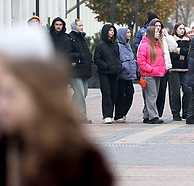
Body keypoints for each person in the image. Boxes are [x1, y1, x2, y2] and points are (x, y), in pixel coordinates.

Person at [0, 26, 113, 185]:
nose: (2, 105)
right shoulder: (9, 146)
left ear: (40, 94)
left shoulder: (78, 161)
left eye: (10, 94)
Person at [65, 19, 93, 124]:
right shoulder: (70, 39)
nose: (81, 27)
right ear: (74, 26)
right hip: (75, 70)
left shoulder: (82, 38)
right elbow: (67, 54)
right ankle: (81, 116)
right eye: (79, 25)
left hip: (84, 69)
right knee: (80, 93)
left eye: (82, 25)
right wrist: (79, 56)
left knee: (83, 93)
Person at [148, 18, 177, 118]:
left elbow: (173, 47)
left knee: (162, 91)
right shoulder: (148, 38)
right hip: (152, 69)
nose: (158, 28)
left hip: (164, 68)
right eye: (156, 26)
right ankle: (151, 113)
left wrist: (167, 35)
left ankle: (158, 113)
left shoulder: (164, 38)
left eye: (160, 26)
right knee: (152, 93)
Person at [137, 26, 166, 124]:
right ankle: (153, 117)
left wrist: (163, 69)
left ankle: (146, 115)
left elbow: (161, 59)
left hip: (157, 73)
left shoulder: (158, 45)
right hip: (149, 74)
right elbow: (141, 61)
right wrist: (151, 69)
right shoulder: (144, 46)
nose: (158, 33)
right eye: (156, 32)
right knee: (152, 95)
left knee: (152, 95)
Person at [94, 24, 121, 124]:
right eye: (110, 31)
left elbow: (118, 57)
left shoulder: (115, 44)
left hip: (114, 72)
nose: (112, 32)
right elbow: (97, 59)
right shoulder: (100, 46)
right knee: (106, 93)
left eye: (113, 31)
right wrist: (106, 66)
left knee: (114, 93)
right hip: (104, 73)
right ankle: (107, 115)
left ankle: (111, 113)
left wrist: (118, 66)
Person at [168, 23, 191, 121]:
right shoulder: (171, 40)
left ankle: (186, 111)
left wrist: (178, 51)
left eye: (183, 28)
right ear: (175, 30)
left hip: (185, 69)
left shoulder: (188, 40)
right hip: (174, 69)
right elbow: (171, 54)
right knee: (175, 92)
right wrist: (182, 54)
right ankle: (175, 113)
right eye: (180, 28)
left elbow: (188, 52)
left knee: (188, 90)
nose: (182, 30)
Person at [115, 27, 137, 123]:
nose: (129, 34)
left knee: (130, 94)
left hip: (129, 75)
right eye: (127, 32)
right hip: (121, 75)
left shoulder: (128, 45)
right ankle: (118, 114)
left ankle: (124, 113)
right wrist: (123, 66)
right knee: (121, 95)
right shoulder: (118, 46)